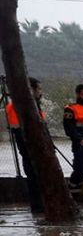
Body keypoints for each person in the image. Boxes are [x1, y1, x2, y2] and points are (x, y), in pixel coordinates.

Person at [6, 77, 48, 213]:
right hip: (30, 150)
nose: (40, 93)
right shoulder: (19, 106)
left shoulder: (32, 105)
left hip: (35, 149)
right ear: (31, 89)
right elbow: (24, 131)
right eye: (39, 89)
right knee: (35, 180)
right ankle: (38, 209)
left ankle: (41, 207)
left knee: (38, 180)